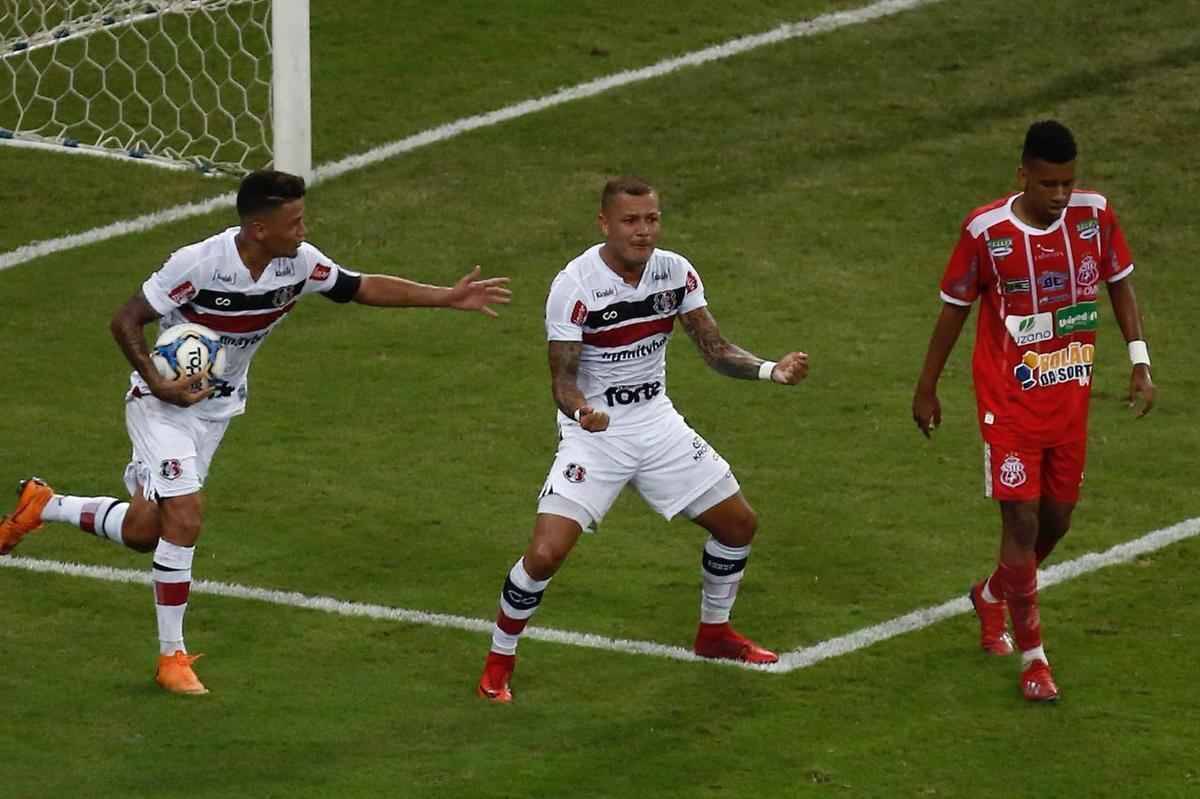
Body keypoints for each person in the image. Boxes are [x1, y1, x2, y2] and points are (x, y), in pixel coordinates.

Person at [0, 170, 511, 695]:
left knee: (143, 531)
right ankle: (172, 657)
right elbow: (125, 320)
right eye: (295, 222)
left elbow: (359, 287)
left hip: (216, 413)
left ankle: (45, 505)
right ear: (259, 229)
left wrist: (446, 297)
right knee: (186, 516)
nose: (304, 230)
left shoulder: (299, 263)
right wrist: (158, 383)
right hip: (161, 408)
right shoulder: (199, 264)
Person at [475, 176, 809, 703]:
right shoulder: (575, 286)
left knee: (738, 524)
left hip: (657, 424)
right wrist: (583, 412)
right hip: (596, 434)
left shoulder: (675, 272)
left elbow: (715, 349)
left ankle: (714, 634)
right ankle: (498, 662)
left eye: (652, 219)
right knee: (545, 553)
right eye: (630, 221)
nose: (643, 231)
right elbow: (562, 381)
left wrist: (772, 371)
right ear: (604, 223)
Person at [912, 120, 1155, 702]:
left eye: (1068, 183)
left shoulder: (1095, 216)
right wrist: (926, 387)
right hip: (1008, 404)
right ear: (1023, 174)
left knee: (1057, 521)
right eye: (1049, 184)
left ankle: (992, 594)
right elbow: (953, 309)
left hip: (1068, 399)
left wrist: (1139, 360)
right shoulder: (985, 231)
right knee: (1020, 523)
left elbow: (1120, 283)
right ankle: (1034, 659)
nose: (1060, 195)